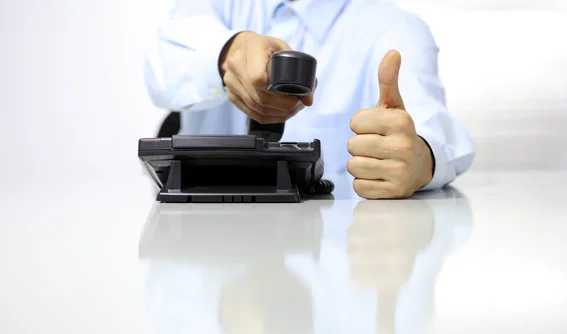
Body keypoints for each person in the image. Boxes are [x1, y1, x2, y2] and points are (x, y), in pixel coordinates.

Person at [144, 0, 475, 199]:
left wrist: (420, 157)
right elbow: (162, 68)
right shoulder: (215, 7)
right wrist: (225, 53)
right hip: (208, 259)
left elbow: (430, 127)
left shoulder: (395, 29)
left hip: (333, 268)